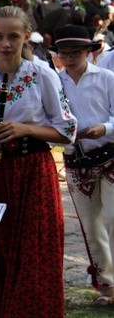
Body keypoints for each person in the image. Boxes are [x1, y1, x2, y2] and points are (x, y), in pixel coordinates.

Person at [0, 6, 76, 317]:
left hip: (34, 172)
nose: (6, 44)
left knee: (34, 254)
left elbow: (67, 130)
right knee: (0, 252)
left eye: (13, 36)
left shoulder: (43, 75)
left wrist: (25, 128)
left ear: (27, 36)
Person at [52, 25, 114, 306]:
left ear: (89, 51)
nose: (69, 57)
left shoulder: (107, 78)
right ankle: (107, 282)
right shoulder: (54, 82)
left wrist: (105, 127)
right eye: (64, 52)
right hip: (76, 159)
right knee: (91, 225)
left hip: (110, 153)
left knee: (113, 218)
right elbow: (48, 119)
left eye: (75, 52)